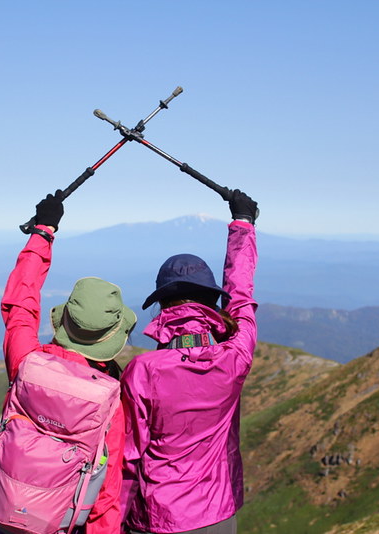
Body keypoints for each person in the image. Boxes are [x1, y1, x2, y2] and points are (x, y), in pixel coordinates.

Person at [0, 190, 136, 534]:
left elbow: (20, 304)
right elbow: (106, 492)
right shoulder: (108, 402)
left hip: (1, 520)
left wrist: (43, 231)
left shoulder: (27, 363)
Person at [120, 189, 259, 534]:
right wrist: (243, 225)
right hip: (219, 514)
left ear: (163, 306)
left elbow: (128, 457)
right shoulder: (234, 357)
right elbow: (241, 298)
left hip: (158, 517)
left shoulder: (144, 371)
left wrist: (111, 520)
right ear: (212, 301)